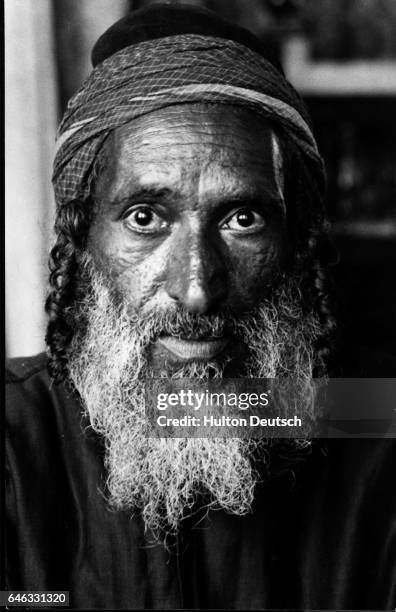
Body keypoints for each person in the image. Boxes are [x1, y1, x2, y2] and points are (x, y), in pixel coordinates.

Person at [6, 4, 395, 610]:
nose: (196, 287)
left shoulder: (373, 420)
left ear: (297, 244)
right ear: (83, 241)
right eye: (145, 218)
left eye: (243, 219)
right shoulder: (14, 437)